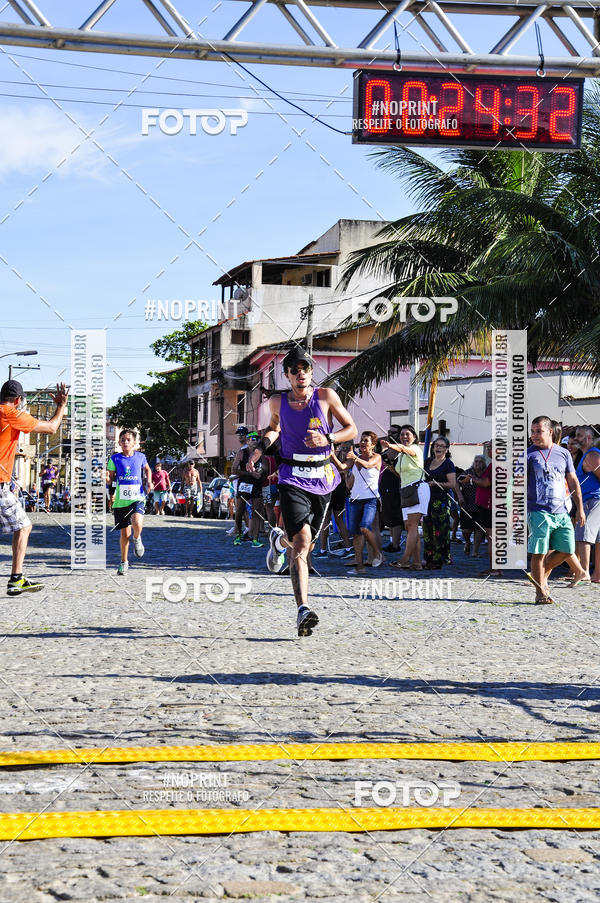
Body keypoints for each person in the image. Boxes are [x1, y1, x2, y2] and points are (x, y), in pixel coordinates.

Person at [248, 345, 357, 636]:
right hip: (291, 476)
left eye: (305, 369)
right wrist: (259, 450)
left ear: (311, 372)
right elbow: (274, 429)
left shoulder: (326, 396)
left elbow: (351, 429)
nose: (300, 374)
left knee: (303, 543)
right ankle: (303, 609)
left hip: (323, 478)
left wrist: (328, 438)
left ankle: (278, 541)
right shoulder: (277, 402)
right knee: (303, 540)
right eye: (294, 370)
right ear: (287, 374)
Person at [0, 379, 69, 595]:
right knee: (24, 526)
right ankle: (16, 579)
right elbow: (51, 427)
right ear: (18, 400)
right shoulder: (12, 414)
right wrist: (61, 406)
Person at [526, 416, 588, 603]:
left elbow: (573, 481)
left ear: (550, 432)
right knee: (538, 552)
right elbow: (516, 483)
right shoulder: (527, 455)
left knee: (567, 549)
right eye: (532, 431)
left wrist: (580, 508)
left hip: (561, 511)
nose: (534, 435)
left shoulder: (563, 453)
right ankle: (540, 593)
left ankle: (541, 574)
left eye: (539, 431)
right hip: (538, 510)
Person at [381, 425, 429, 571]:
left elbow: (403, 448)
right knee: (409, 527)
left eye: (407, 434)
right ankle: (417, 562)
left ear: (414, 436)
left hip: (417, 488)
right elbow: (401, 474)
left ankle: (405, 559)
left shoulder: (415, 448)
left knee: (412, 526)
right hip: (406, 490)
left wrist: (391, 446)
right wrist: (390, 467)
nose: (404, 436)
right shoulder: (401, 456)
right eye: (402, 434)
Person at [334, 431, 383, 574]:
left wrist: (355, 457)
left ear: (373, 445)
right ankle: (360, 566)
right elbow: (342, 467)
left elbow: (368, 465)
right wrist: (332, 454)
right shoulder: (355, 459)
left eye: (366, 440)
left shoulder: (376, 457)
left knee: (365, 527)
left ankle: (377, 553)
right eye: (361, 440)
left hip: (370, 499)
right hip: (355, 499)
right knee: (355, 533)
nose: (362, 443)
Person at [107, 428, 152, 576]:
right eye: (123, 440)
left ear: (134, 443)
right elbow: (111, 479)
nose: (125, 442)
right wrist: (106, 480)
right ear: (119, 443)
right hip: (121, 501)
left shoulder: (140, 457)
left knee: (137, 521)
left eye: (128, 440)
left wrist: (149, 481)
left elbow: (147, 469)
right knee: (125, 534)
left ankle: (137, 538)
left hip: (137, 497)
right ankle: (124, 562)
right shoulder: (114, 459)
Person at [423, 436, 462, 569]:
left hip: (441, 501)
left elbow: (452, 484)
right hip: (427, 499)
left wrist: (436, 484)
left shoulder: (448, 464)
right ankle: (428, 557)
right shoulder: (427, 461)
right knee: (427, 529)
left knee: (440, 530)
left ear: (446, 449)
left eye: (441, 446)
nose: (438, 448)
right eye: (436, 445)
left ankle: (439, 558)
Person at [573, 425, 600, 583]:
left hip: (593, 500)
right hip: (593, 499)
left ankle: (584, 573)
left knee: (583, 535)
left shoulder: (591, 455)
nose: (576, 438)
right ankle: (596, 575)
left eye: (579, 435)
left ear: (589, 438)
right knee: (597, 539)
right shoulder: (587, 455)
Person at [232, 432, 265, 547]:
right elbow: (234, 469)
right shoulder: (242, 452)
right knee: (240, 511)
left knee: (257, 511)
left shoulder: (260, 453)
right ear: (247, 441)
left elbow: (265, 467)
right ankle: (239, 535)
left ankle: (255, 539)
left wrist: (260, 473)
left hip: (256, 484)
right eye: (252, 438)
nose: (254, 440)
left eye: (256, 438)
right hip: (244, 484)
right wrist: (249, 473)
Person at [457, 455, 486, 556]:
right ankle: (468, 542)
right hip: (467, 504)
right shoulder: (467, 472)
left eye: (480, 461)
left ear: (484, 463)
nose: (477, 463)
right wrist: (460, 496)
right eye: (476, 461)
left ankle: (475, 551)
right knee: (466, 530)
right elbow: (457, 482)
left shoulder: (486, 473)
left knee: (479, 528)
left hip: (481, 505)